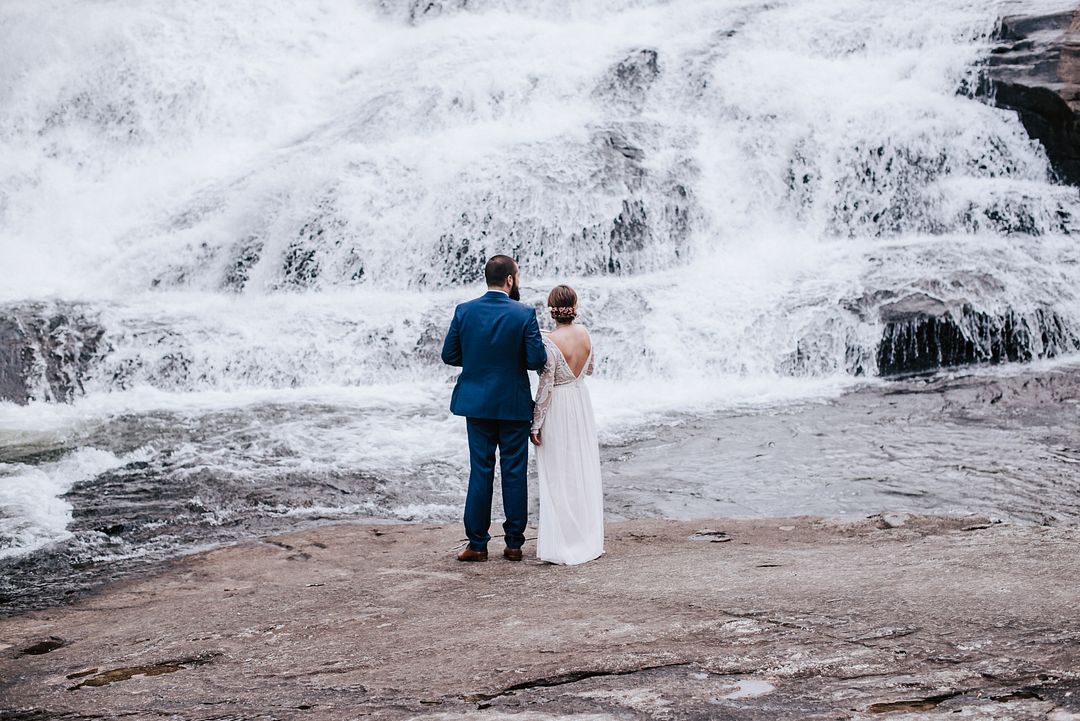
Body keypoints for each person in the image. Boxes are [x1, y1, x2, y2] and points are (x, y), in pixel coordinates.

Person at [441, 255, 547, 562]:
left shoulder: (464, 311)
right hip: (513, 404)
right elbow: (535, 361)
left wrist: (477, 361)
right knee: (514, 473)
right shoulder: (524, 313)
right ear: (511, 279)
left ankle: (477, 544)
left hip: (476, 404)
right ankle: (514, 544)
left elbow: (449, 354)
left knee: (481, 471)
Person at [530, 284, 604, 565]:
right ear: (574, 306)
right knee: (580, 469)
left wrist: (536, 423)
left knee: (557, 473)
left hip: (558, 406)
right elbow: (591, 368)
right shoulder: (585, 333)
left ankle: (563, 543)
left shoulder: (546, 340)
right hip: (580, 402)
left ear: (551, 310)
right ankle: (586, 538)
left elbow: (546, 385)